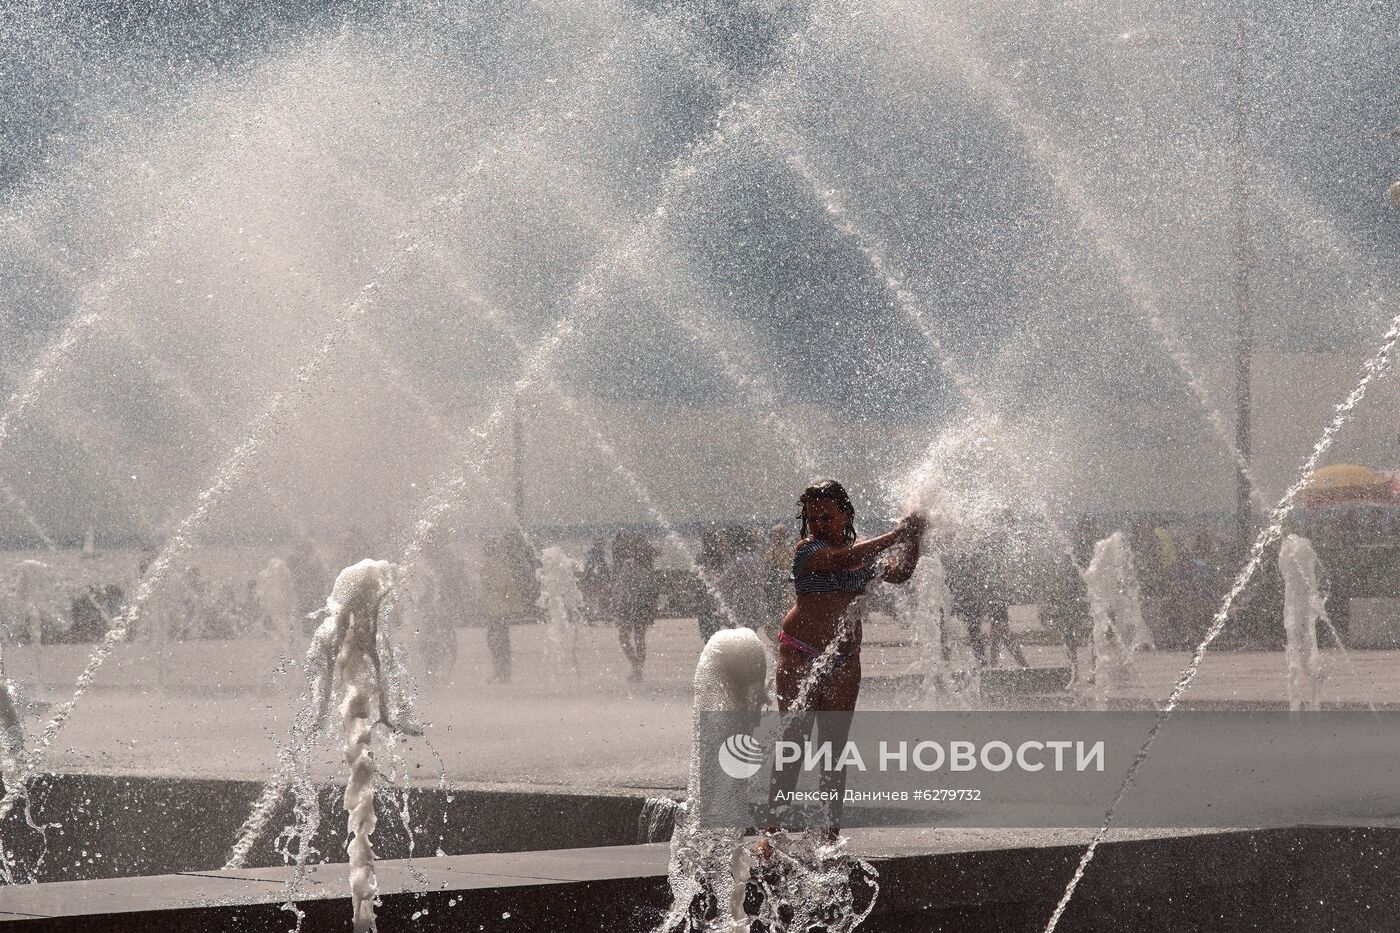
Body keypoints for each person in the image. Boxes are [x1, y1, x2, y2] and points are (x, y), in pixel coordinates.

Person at [762, 480, 926, 847]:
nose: (819, 523)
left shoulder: (862, 553)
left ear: (846, 516)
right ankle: (771, 834)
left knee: (834, 750)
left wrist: (914, 539)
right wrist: (898, 533)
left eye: (827, 516)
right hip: (799, 653)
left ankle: (830, 837)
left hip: (844, 660)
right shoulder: (808, 550)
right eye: (813, 517)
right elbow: (843, 560)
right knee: (794, 744)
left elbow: (898, 574)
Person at [612, 532, 659, 682]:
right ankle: (638, 667)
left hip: (630, 605)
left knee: (625, 637)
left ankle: (636, 666)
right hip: (642, 605)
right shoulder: (646, 567)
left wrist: (617, 601)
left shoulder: (630, 565)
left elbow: (620, 587)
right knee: (639, 637)